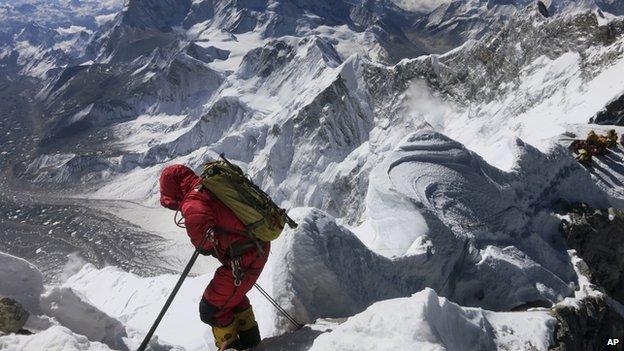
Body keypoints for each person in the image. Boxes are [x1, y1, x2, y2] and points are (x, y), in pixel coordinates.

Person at [159, 164, 268, 350]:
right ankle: (253, 345)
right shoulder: (208, 186)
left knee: (211, 310)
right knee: (233, 301)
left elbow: (204, 244)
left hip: (245, 257)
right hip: (254, 249)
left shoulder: (193, 202)